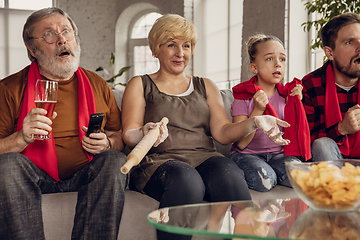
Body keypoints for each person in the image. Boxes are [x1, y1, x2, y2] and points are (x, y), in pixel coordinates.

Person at [121, 14, 291, 240]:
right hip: (159, 163)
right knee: (187, 180)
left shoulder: (205, 86)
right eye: (171, 45)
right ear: (156, 48)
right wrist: (144, 131)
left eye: (186, 46)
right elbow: (128, 135)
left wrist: (254, 122)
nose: (180, 53)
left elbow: (222, 133)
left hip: (204, 157)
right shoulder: (140, 84)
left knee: (229, 174)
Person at [0, 7, 127, 240]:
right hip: (34, 175)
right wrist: (20, 138)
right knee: (7, 165)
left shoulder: (97, 83)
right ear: (32, 48)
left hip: (85, 173)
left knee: (114, 160)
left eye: (66, 31)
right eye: (49, 34)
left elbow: (118, 135)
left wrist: (108, 142)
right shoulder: (9, 88)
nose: (61, 39)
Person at [230, 34, 309, 192]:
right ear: (254, 67)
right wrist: (258, 110)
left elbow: (296, 133)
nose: (278, 64)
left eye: (282, 59)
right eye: (269, 59)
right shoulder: (243, 97)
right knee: (265, 180)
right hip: (247, 155)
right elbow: (241, 143)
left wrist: (297, 104)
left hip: (279, 155)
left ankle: (276, 174)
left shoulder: (287, 96)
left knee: (305, 178)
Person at [302, 12, 360, 161]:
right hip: (333, 163)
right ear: (330, 52)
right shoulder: (309, 86)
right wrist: (341, 129)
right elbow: (305, 141)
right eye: (350, 42)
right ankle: (337, 185)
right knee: (322, 144)